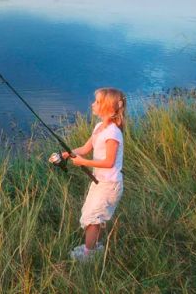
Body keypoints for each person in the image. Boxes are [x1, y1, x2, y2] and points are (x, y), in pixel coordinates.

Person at [62, 87, 126, 262]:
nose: (92, 104)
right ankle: (94, 248)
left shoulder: (113, 133)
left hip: (109, 184)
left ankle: (89, 255)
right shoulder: (99, 127)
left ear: (108, 107)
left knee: (93, 218)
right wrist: (65, 154)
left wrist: (84, 162)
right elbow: (84, 149)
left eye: (97, 102)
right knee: (90, 214)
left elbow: (109, 162)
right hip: (99, 182)